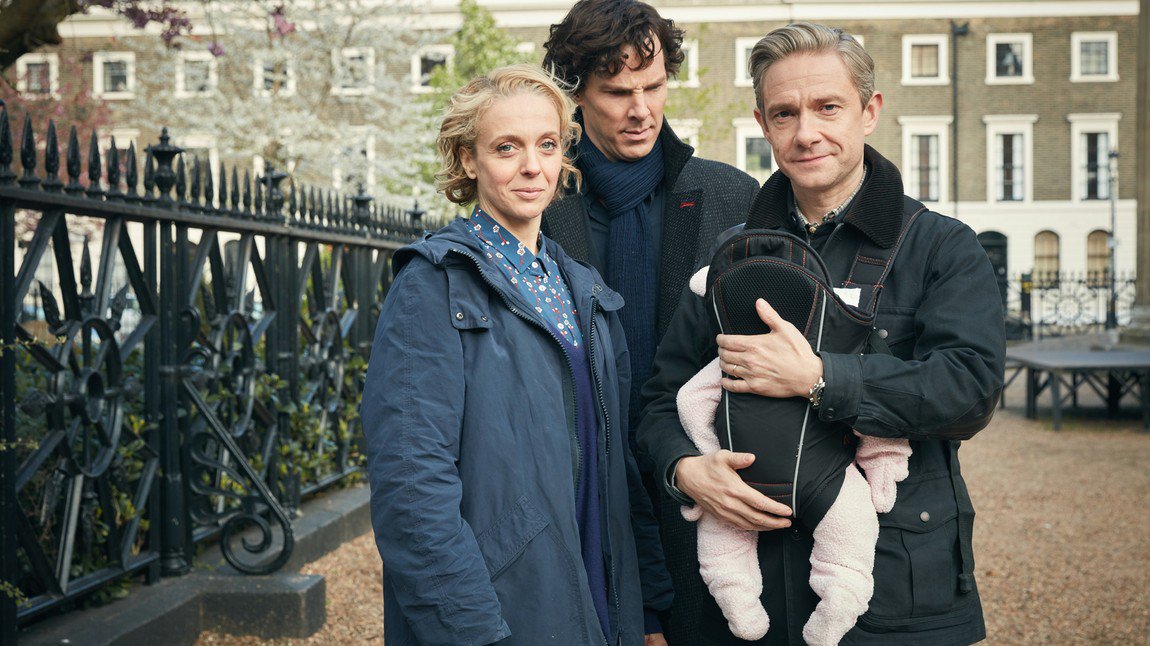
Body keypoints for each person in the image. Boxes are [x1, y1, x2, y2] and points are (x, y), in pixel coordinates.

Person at [637, 22, 1005, 645]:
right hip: (752, 607)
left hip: (895, 598)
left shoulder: (940, 246)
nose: (806, 132)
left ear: (869, 112)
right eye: (785, 113)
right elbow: (659, 401)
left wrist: (820, 378)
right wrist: (685, 468)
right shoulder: (732, 255)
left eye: (828, 107)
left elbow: (969, 391)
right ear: (763, 124)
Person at [361, 64, 673, 645]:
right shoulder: (433, 284)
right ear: (468, 160)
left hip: (601, 597)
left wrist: (648, 607)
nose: (533, 166)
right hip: (505, 608)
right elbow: (411, 487)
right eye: (507, 147)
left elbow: (619, 467)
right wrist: (472, 631)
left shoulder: (585, 291)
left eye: (547, 145)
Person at [541, 2, 759, 640]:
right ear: (576, 94)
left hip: (710, 503)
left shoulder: (732, 197)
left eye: (654, 86)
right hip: (579, 501)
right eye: (617, 92)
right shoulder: (537, 205)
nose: (641, 109)